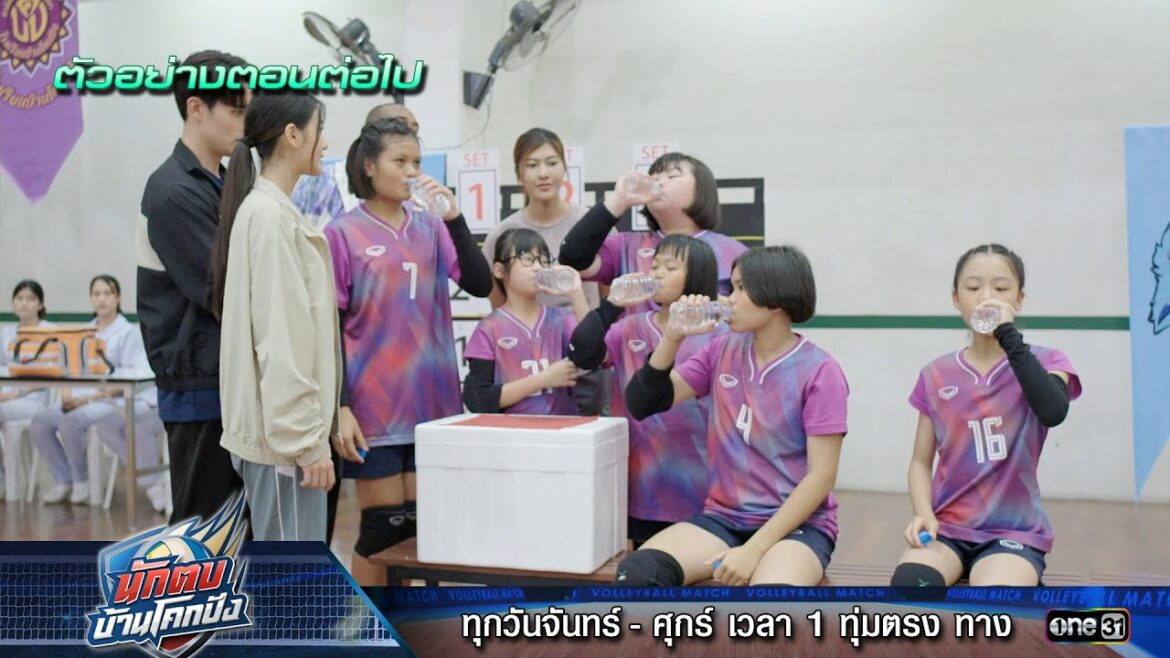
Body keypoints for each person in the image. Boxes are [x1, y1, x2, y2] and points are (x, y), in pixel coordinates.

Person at [617, 246, 848, 586]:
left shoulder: (821, 371)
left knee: (767, 605)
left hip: (797, 528)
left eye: (740, 288)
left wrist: (753, 551)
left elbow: (821, 477)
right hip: (724, 520)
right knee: (637, 575)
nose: (728, 299)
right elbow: (643, 403)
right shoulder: (721, 349)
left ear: (775, 298)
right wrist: (673, 336)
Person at [324, 117, 492, 583]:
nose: (412, 172)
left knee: (421, 536)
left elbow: (480, 284)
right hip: (373, 410)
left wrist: (454, 218)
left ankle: (410, 620)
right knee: (381, 533)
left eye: (417, 162)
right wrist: (340, 406)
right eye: (400, 161)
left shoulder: (432, 227)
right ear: (369, 166)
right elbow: (329, 328)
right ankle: (366, 622)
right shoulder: (343, 233)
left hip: (432, 408)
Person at [890, 244, 1081, 587]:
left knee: (994, 601)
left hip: (1013, 533)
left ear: (1019, 299)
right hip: (947, 531)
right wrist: (923, 513)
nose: (986, 297)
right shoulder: (936, 373)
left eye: (1001, 288)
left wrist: (1008, 335)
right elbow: (920, 461)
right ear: (956, 298)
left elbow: (1053, 411)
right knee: (910, 588)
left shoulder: (1048, 361)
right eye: (973, 287)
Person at [210, 91, 338, 541]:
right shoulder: (267, 216)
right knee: (291, 580)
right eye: (320, 130)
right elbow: (280, 340)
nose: (325, 142)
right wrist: (305, 442)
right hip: (283, 445)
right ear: (293, 135)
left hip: (284, 440)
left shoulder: (271, 211)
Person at [138, 49, 251, 523]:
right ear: (197, 108)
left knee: (239, 533)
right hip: (199, 387)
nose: (246, 124)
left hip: (230, 380)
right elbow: (223, 290)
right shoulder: (173, 191)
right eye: (237, 110)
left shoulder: (225, 182)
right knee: (204, 531)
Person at [568, 235, 724, 545]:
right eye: (654, 266)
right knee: (643, 562)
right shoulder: (631, 326)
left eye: (670, 267)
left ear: (698, 274)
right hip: (641, 483)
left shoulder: (718, 332)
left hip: (702, 483)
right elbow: (582, 353)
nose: (658, 274)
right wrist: (613, 303)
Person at [480, 128, 607, 413]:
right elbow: (500, 305)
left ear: (564, 168)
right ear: (519, 175)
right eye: (532, 165)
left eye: (552, 163)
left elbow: (607, 294)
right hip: (526, 370)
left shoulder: (591, 224)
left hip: (586, 366)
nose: (543, 173)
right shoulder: (502, 235)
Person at [28, 276, 166, 511]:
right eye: (97, 294)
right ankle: (64, 479)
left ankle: (85, 481)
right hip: (79, 398)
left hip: (110, 400)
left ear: (118, 298)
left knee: (70, 422)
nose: (102, 299)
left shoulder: (128, 333)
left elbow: (133, 375)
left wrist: (87, 398)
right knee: (40, 422)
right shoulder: (84, 332)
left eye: (107, 294)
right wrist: (67, 392)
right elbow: (68, 367)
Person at [558, 152, 747, 316]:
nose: (659, 182)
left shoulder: (733, 251)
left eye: (672, 176)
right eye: (654, 178)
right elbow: (573, 258)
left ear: (702, 189)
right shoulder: (626, 246)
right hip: (635, 347)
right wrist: (618, 200)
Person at [463, 228, 588, 415]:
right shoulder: (489, 328)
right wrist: (543, 379)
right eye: (528, 259)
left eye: (543, 260)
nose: (538, 267)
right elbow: (480, 399)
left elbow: (592, 353)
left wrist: (576, 294)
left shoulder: (561, 319)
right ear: (499, 270)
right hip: (511, 432)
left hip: (563, 431)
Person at [0, 280, 53, 500]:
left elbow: (51, 373)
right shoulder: (6, 333)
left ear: (40, 304)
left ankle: (3, 481)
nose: (24, 303)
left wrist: (16, 393)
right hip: (5, 398)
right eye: (19, 298)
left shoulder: (50, 332)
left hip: (36, 400)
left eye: (30, 299)